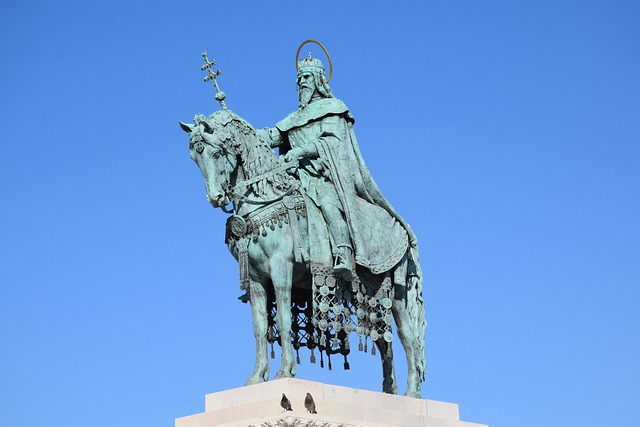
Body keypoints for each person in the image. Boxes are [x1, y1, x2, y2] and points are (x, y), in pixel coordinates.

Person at [258, 55, 416, 280]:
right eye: (299, 79)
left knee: (329, 204)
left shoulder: (333, 108)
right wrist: (242, 132)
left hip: (323, 176)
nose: (301, 82)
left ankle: (344, 252)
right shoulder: (293, 118)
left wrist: (301, 151)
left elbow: (332, 142)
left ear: (318, 80)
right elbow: (272, 136)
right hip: (296, 176)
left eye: (306, 77)